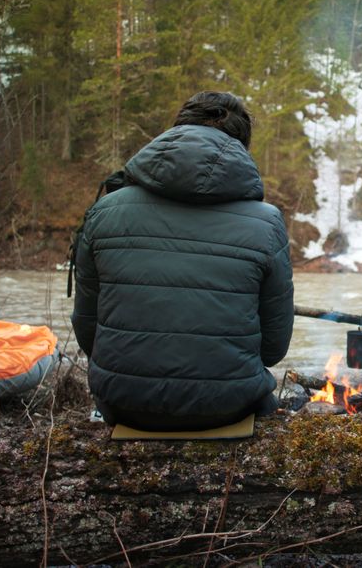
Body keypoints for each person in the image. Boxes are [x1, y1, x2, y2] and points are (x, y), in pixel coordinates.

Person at [71, 91, 294, 430]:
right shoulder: (266, 222)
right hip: (228, 407)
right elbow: (274, 345)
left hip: (123, 404)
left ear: (174, 133)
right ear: (241, 146)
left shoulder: (105, 211)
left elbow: (88, 326)